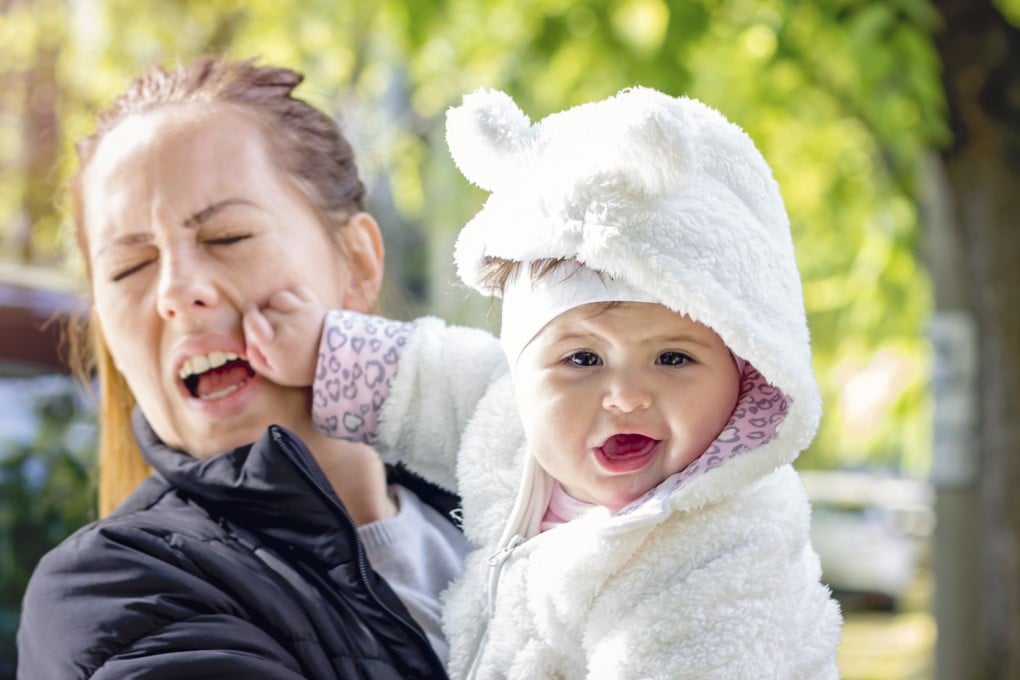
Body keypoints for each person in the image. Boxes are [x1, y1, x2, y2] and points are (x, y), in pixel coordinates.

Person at [248, 86, 844, 678]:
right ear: (525, 371)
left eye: (672, 359)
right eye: (583, 360)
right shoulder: (515, 431)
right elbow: (436, 380)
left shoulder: (726, 551)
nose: (626, 396)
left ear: (746, 376)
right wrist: (320, 348)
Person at [16, 55, 491, 679]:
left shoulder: (507, 503)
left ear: (357, 262)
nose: (178, 291)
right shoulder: (116, 592)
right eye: (131, 268)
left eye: (227, 237)